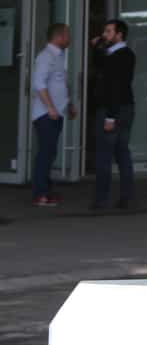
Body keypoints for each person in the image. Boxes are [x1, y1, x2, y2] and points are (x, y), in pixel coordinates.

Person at [90, 18, 136, 210]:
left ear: (119, 34)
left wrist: (110, 116)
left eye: (109, 32)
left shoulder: (119, 55)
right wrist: (97, 48)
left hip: (113, 108)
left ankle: (102, 199)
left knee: (104, 154)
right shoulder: (119, 54)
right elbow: (100, 63)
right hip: (124, 107)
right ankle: (126, 196)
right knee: (122, 152)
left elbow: (114, 86)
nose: (104, 35)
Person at [30, 23, 77, 207]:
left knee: (50, 153)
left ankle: (46, 190)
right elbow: (39, 84)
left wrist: (69, 105)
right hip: (46, 114)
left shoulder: (58, 56)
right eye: (67, 34)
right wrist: (50, 108)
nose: (69, 38)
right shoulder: (46, 56)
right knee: (45, 153)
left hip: (55, 113)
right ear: (59, 37)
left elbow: (60, 85)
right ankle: (40, 194)